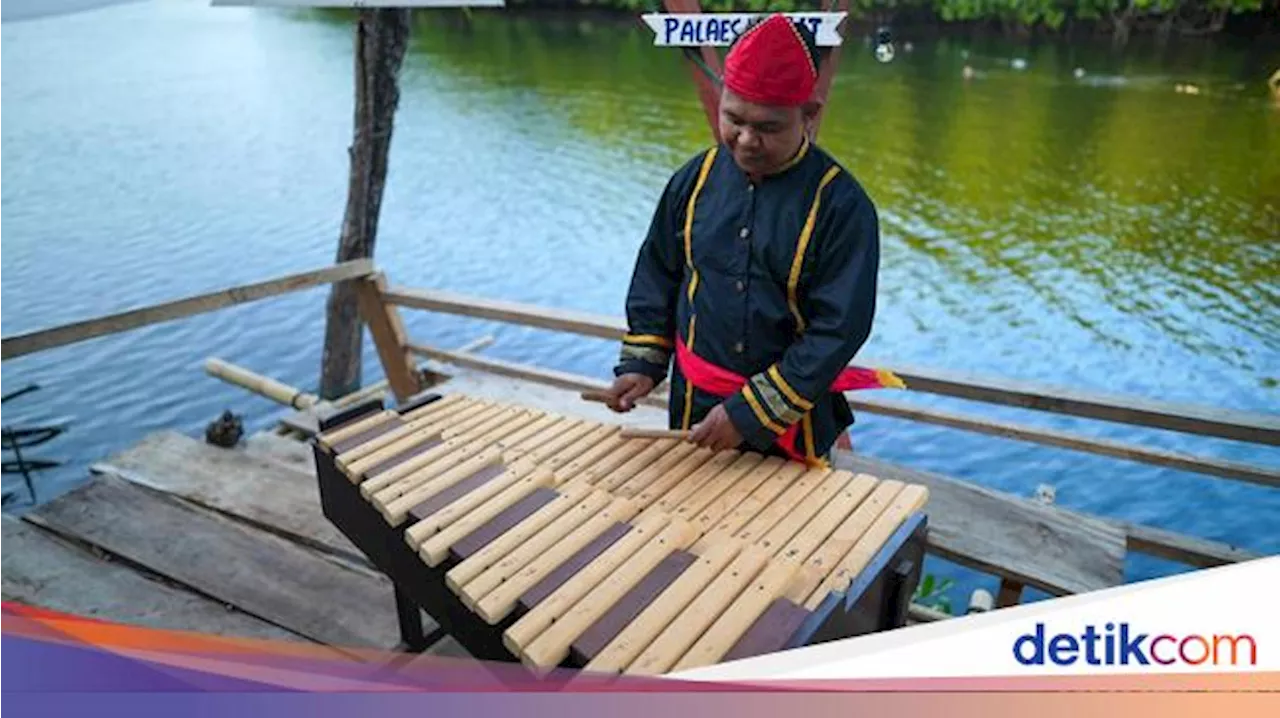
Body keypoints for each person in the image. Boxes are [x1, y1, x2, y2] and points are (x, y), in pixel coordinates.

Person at [599, 13, 899, 467]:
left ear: (809, 114)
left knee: (791, 537)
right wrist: (642, 364)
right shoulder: (692, 180)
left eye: (768, 127)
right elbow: (659, 273)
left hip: (789, 420)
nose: (745, 139)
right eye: (733, 118)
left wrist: (748, 413)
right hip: (693, 412)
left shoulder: (843, 207)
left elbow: (837, 330)